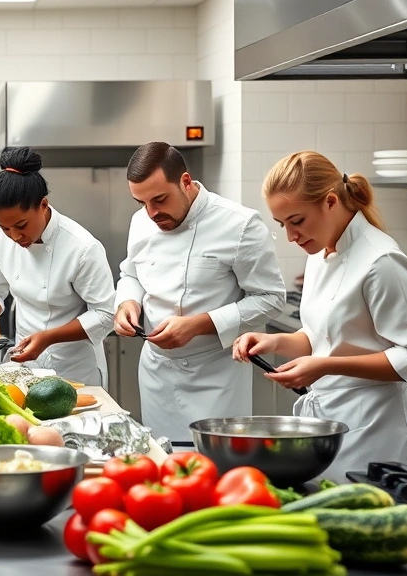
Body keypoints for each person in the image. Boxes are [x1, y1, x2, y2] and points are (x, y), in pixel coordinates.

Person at [233, 151, 407, 481]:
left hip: (382, 434)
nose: (291, 236)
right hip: (333, 427)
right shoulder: (320, 250)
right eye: (282, 225)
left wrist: (324, 366)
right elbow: (324, 337)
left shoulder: (381, 261)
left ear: (330, 202)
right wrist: (275, 341)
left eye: (297, 221)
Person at [114, 142, 286, 441]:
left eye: (160, 199)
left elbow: (271, 299)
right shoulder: (141, 221)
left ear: (185, 181)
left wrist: (198, 324)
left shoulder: (240, 224)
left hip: (216, 376)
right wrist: (127, 302)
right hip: (156, 372)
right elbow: (131, 272)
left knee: (218, 465)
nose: (152, 213)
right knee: (163, 461)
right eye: (141, 203)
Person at [0, 147, 116, 386]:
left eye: (21, 225)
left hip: (74, 369)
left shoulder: (82, 247)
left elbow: (105, 314)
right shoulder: (3, 240)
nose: (14, 236)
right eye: (4, 227)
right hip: (24, 366)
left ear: (43, 205)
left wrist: (48, 338)